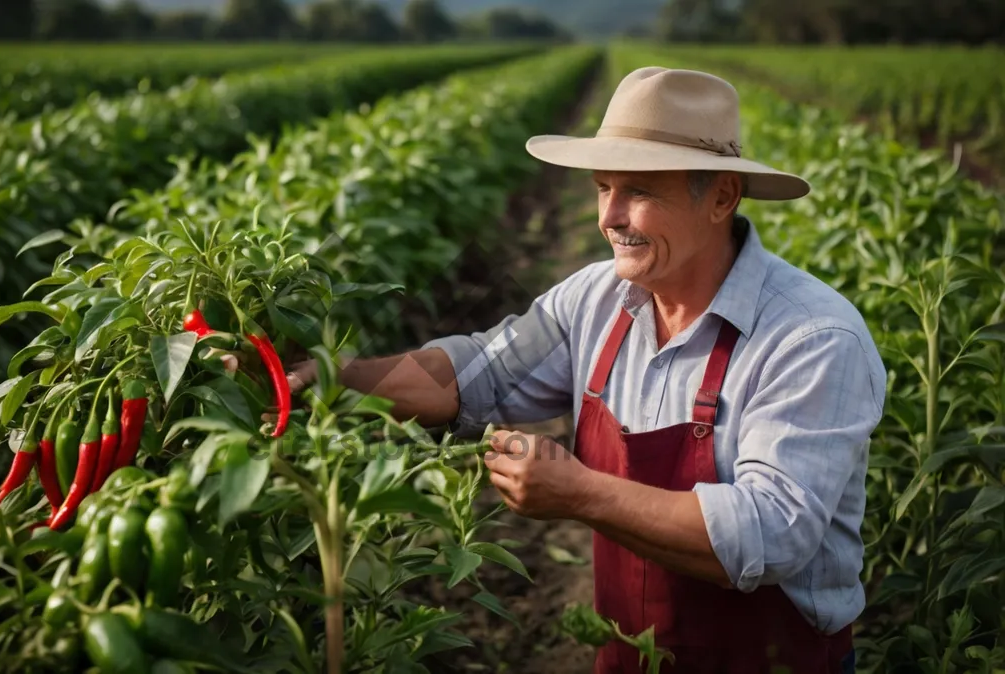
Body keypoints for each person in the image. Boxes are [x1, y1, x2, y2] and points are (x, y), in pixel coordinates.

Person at [284, 67, 886, 673]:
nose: (610, 216)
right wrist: (333, 375)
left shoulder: (810, 338)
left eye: (640, 192)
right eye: (603, 188)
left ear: (723, 196)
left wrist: (579, 493)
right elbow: (475, 374)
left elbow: (770, 533)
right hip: (627, 656)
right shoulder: (594, 300)